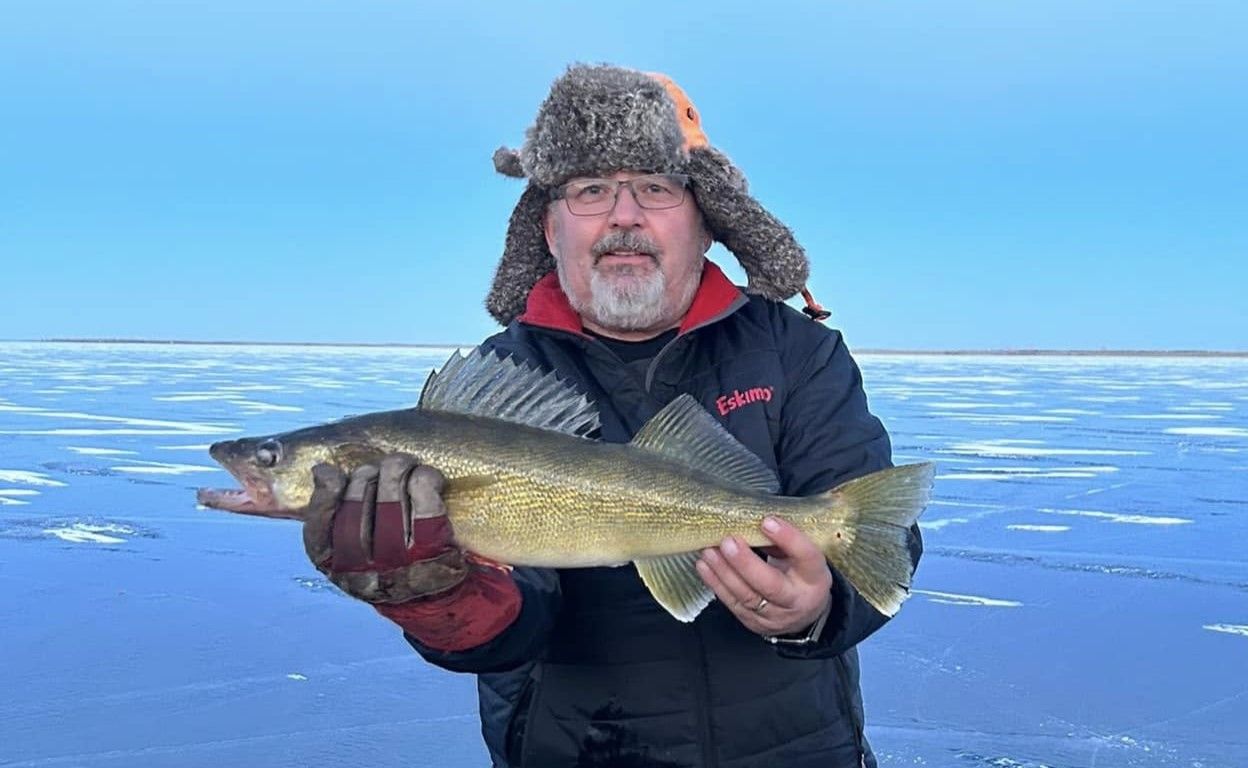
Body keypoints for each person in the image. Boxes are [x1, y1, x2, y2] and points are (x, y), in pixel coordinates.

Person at [301, 64, 922, 768]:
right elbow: (516, 620)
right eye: (590, 190)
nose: (624, 216)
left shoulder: (799, 353)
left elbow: (876, 533)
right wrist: (444, 599)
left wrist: (817, 606)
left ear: (707, 221)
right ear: (548, 226)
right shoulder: (498, 387)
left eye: (656, 188)